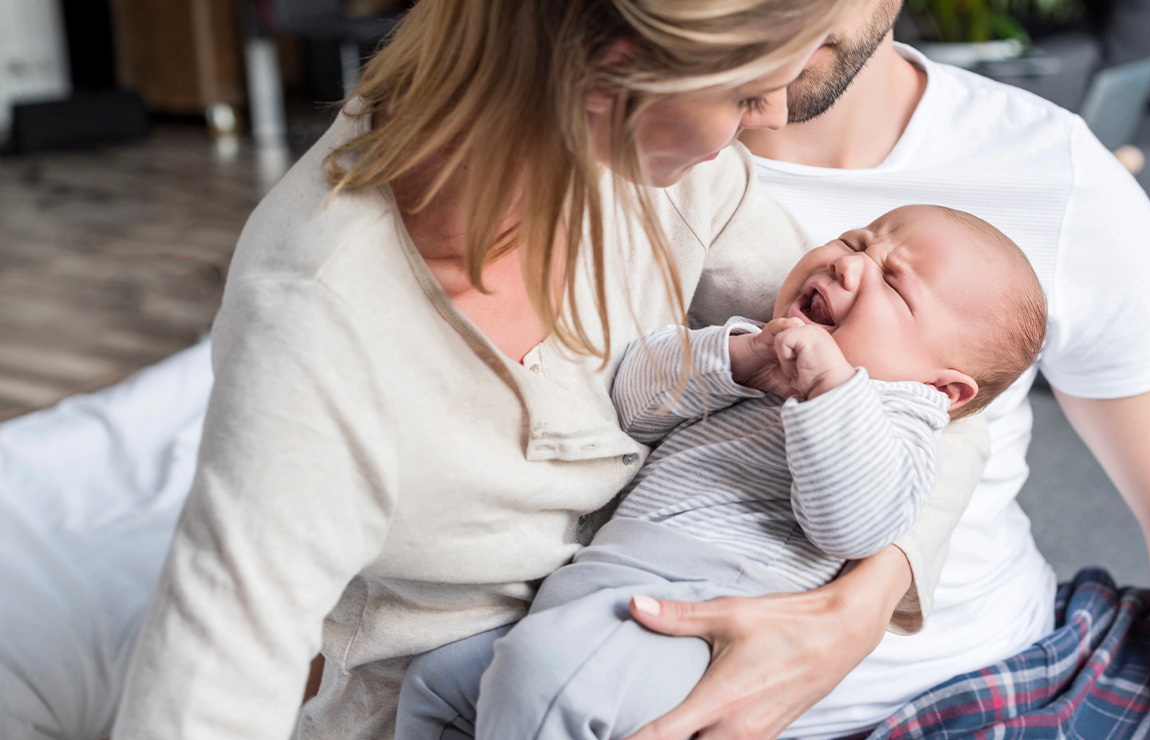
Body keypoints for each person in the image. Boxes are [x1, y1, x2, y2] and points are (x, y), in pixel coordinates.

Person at [106, 2, 995, 739]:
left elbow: (931, 386)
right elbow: (202, 696)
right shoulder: (322, 328)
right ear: (614, 70)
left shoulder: (668, 174)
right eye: (747, 92)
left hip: (651, 647)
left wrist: (853, 614)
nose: (767, 119)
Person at [609, 2, 1150, 738]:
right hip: (639, 673)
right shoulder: (599, 155)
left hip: (1008, 674)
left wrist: (868, 599)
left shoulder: (1054, 168)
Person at [392, 205, 1046, 740]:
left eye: (894, 283)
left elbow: (855, 526)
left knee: (542, 676)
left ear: (946, 389)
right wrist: (733, 360)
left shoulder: (900, 419)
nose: (849, 262)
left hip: (697, 617)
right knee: (439, 681)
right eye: (855, 240)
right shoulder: (757, 347)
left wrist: (830, 392)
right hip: (596, 596)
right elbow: (630, 403)